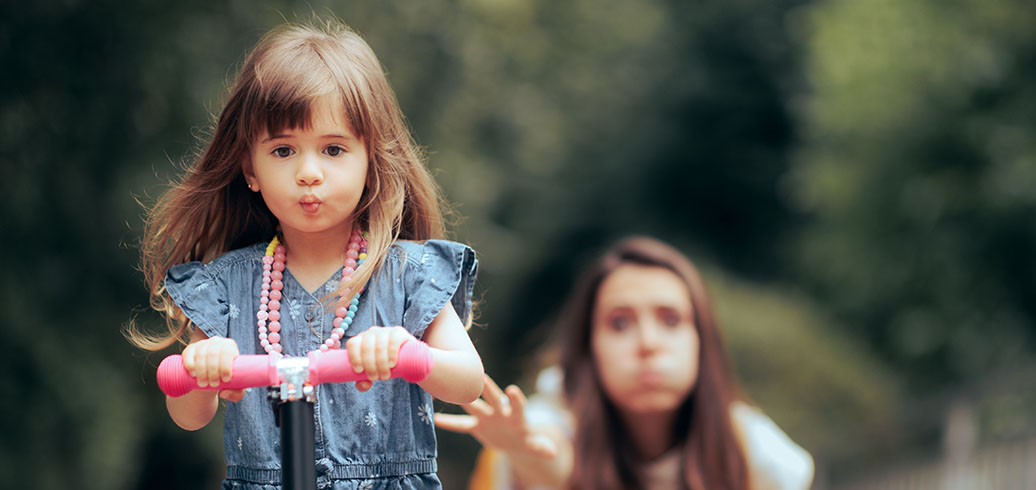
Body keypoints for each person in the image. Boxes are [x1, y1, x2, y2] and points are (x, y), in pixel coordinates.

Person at [125, 20, 485, 490]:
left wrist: (408, 352)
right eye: (283, 151)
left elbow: (469, 381)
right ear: (249, 169)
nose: (309, 172)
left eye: (333, 149)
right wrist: (203, 369)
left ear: (370, 161)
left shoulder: (409, 275)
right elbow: (190, 417)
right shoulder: (227, 286)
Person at [436, 237, 814, 490]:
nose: (648, 343)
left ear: (703, 342)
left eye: (670, 319)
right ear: (590, 348)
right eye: (619, 323)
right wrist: (520, 448)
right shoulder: (550, 417)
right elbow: (553, 460)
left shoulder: (748, 445)